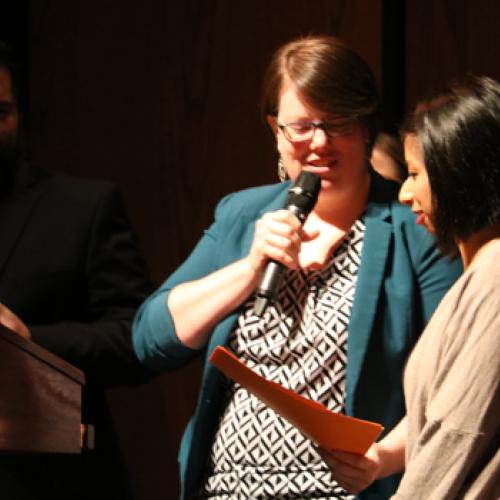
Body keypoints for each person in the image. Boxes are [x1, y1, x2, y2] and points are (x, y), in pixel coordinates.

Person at [132, 35, 462, 500]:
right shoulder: (243, 216)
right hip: (226, 490)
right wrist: (248, 269)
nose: (320, 143)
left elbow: (452, 387)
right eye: (301, 126)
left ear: (366, 127)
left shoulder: (413, 230)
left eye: (339, 124)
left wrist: (381, 459)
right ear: (275, 130)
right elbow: (150, 339)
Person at [320, 75, 500, 499]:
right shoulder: (478, 271)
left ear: (460, 175)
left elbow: (458, 431)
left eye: (416, 174)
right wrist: (382, 458)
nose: (404, 192)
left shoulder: (495, 272)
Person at [0, 41, 154, 499]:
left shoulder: (81, 208)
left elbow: (136, 339)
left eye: (0, 111)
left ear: (20, 115)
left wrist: (28, 340)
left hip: (48, 483)